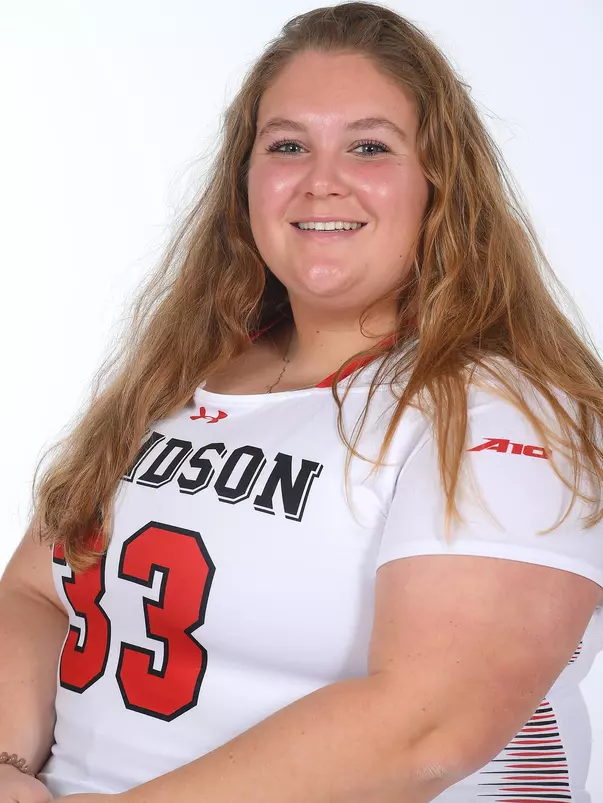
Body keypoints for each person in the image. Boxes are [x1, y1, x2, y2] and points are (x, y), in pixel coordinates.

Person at [1, 2, 602, 801]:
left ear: (440, 183)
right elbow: (37, 590)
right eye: (286, 145)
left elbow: (427, 728)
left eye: (369, 146)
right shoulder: (175, 376)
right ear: (243, 181)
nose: (322, 179)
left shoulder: (501, 410)